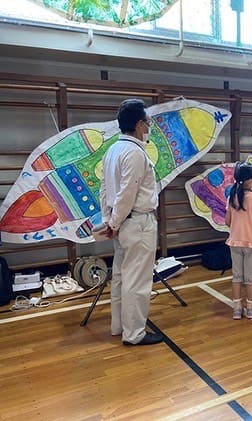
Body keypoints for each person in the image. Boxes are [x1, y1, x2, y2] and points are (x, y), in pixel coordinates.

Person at [100, 99, 162, 346]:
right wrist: (113, 223)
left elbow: (105, 190)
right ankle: (134, 333)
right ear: (138, 124)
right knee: (137, 281)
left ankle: (119, 326)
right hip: (137, 223)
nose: (148, 126)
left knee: (122, 278)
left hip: (122, 223)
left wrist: (110, 221)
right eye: (147, 122)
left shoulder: (112, 150)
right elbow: (128, 193)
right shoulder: (135, 152)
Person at [225, 161, 252, 319]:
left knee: (237, 276)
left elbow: (227, 221)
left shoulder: (232, 198)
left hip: (235, 241)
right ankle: (250, 308)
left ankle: (236, 308)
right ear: (251, 180)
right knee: (250, 278)